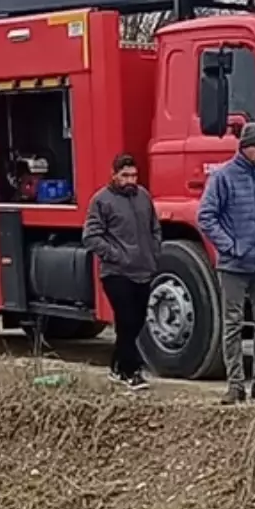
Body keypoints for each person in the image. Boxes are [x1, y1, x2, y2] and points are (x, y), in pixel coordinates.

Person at [198, 121, 255, 404]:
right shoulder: (223, 177)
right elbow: (206, 216)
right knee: (233, 324)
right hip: (234, 267)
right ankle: (235, 385)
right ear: (243, 146)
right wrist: (230, 246)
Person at [83, 151, 162, 388]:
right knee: (126, 320)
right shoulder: (101, 200)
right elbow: (90, 236)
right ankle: (131, 371)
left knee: (137, 321)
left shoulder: (144, 197)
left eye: (134, 175)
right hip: (116, 273)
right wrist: (115, 256)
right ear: (114, 175)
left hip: (144, 270)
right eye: (125, 175)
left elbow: (155, 228)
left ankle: (117, 366)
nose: (130, 180)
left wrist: (154, 251)